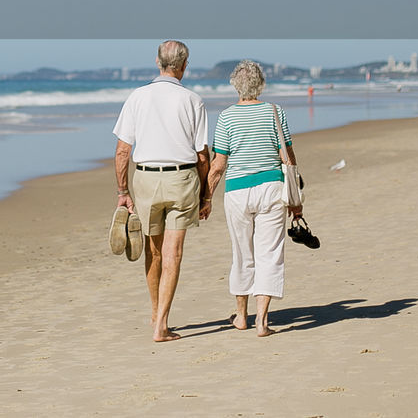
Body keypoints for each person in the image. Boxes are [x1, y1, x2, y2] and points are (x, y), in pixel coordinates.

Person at [113, 40, 209, 343]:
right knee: (173, 253)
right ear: (184, 66)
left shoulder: (137, 97)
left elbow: (122, 151)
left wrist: (122, 191)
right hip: (182, 179)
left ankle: (156, 313)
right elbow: (202, 155)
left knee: (153, 251)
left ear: (158, 62)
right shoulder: (193, 100)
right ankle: (161, 325)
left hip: (145, 179)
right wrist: (205, 194)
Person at [201, 60, 302, 338]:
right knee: (269, 254)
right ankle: (262, 322)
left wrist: (206, 197)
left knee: (242, 253)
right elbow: (287, 157)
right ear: (260, 85)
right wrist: (296, 195)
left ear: (235, 85)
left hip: (237, 191)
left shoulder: (227, 117)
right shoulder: (274, 112)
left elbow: (219, 164)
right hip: (271, 187)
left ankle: (242, 317)